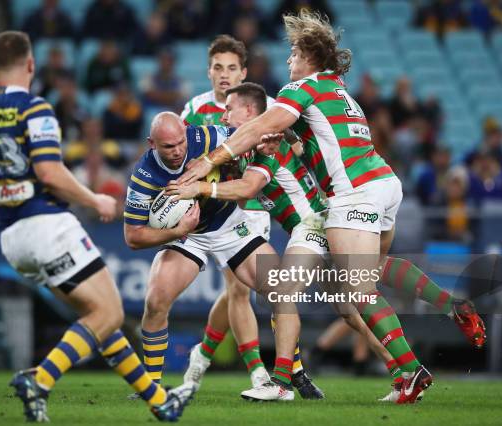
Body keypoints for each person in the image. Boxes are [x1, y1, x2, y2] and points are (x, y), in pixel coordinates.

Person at [177, 10, 437, 403]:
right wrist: (278, 140)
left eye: (293, 54)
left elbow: (253, 167)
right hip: (379, 187)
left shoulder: (299, 92)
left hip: (332, 209)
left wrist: (208, 167)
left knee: (341, 293)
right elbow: (298, 139)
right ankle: (403, 371)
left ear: (309, 56)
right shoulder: (339, 91)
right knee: (350, 301)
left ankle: (289, 381)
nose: (288, 61)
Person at [171, 82, 486, 402]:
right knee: (354, 303)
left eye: (229, 109)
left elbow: (248, 188)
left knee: (284, 290)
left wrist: (200, 189)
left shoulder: (266, 139)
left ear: (251, 111)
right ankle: (411, 362)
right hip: (328, 215)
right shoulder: (259, 137)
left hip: (313, 222)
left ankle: (279, 383)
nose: (223, 115)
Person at [0, 30, 194, 422]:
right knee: (109, 314)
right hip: (48, 225)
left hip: (13, 237)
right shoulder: (35, 108)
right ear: (30, 64)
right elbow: (49, 171)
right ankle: (40, 379)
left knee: (99, 317)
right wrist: (94, 199)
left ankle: (159, 401)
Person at [123, 111, 276, 393]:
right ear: (151, 144)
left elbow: (247, 135)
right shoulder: (144, 177)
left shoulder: (203, 137)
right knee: (155, 301)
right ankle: (151, 385)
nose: (178, 150)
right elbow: (133, 236)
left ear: (186, 132)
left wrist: (261, 145)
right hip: (187, 236)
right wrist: (177, 230)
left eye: (180, 142)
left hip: (228, 225)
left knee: (279, 288)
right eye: (168, 146)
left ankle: (287, 376)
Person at [179, 35, 286, 394]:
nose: (224, 75)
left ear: (243, 72)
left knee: (241, 291)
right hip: (216, 210)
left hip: (255, 205)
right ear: (208, 71)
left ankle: (203, 354)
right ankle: (260, 371)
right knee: (238, 289)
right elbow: (177, 156)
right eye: (218, 68)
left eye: (231, 68)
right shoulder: (194, 108)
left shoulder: (266, 106)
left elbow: (287, 147)